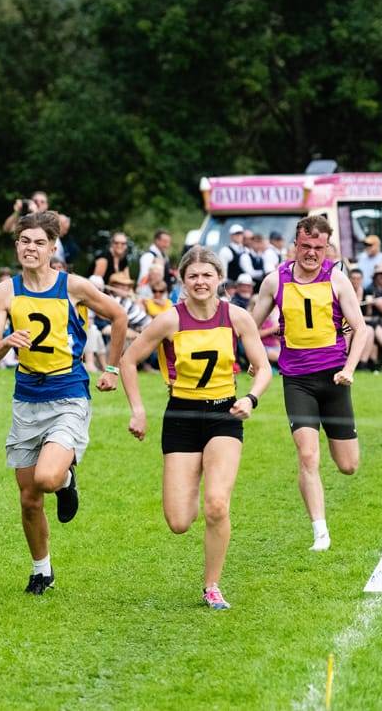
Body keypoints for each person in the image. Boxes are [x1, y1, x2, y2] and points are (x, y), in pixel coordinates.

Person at [0, 211, 128, 595]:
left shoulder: (73, 286)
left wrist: (111, 368)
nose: (31, 248)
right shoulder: (5, 291)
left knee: (46, 479)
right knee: (29, 498)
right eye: (25, 241)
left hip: (68, 392)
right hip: (26, 398)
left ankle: (65, 479)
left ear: (52, 247)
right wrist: (5, 343)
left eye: (39, 242)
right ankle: (41, 570)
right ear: (17, 246)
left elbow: (118, 314)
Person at [119, 246, 272, 610]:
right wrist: (138, 411)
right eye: (193, 276)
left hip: (225, 414)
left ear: (220, 279)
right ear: (182, 281)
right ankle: (193, 484)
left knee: (217, 504)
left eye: (207, 275)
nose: (201, 282)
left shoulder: (236, 317)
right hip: (181, 417)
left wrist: (250, 398)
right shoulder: (169, 320)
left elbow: (263, 367)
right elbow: (127, 360)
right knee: (179, 521)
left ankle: (212, 585)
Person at [248, 215, 369, 552]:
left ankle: (336, 443)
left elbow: (361, 329)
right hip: (297, 381)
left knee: (347, 465)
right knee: (307, 455)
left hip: (335, 379)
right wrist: (254, 358)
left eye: (319, 247)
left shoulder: (338, 280)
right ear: (295, 245)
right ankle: (320, 531)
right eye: (306, 246)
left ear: (327, 247)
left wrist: (350, 368)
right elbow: (249, 326)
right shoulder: (275, 282)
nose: (312, 253)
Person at [138, 229, 175, 293]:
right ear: (157, 240)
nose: (167, 245)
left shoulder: (165, 257)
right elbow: (143, 278)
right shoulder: (148, 256)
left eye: (169, 242)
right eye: (165, 241)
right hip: (149, 294)